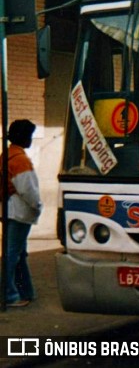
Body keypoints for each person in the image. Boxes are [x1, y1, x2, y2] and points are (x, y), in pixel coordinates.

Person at [2, 119, 42, 307]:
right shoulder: (20, 160)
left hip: (10, 209)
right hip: (20, 212)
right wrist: (38, 206)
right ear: (24, 137)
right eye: (30, 136)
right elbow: (28, 190)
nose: (31, 140)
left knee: (18, 252)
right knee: (12, 254)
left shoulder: (7, 155)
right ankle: (8, 295)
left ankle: (26, 291)